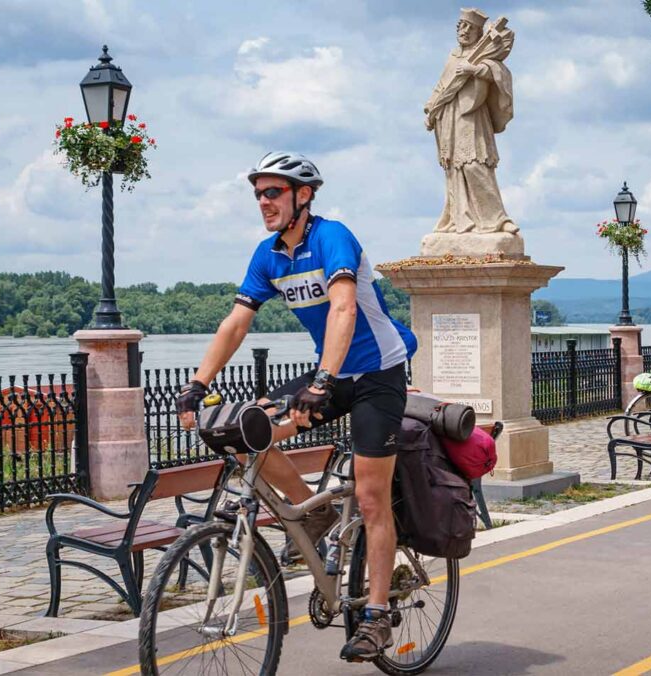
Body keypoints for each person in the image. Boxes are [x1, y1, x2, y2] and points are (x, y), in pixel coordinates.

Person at [175, 151, 417, 662]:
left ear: (302, 195)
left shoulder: (333, 237)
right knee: (245, 434)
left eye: (273, 192)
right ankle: (317, 515)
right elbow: (237, 323)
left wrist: (324, 380)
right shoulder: (268, 255)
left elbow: (345, 308)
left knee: (373, 497)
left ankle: (375, 617)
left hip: (377, 374)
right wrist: (198, 384)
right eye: (259, 194)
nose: (263, 202)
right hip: (328, 374)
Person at [424, 7, 518, 235]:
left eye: (470, 28)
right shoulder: (453, 55)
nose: (464, 31)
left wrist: (474, 69)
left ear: (479, 32)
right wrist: (431, 106)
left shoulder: (483, 52)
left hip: (472, 116)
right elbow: (443, 84)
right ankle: (460, 220)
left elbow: (498, 72)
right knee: (455, 170)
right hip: (449, 117)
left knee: (475, 165)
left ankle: (498, 219)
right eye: (462, 26)